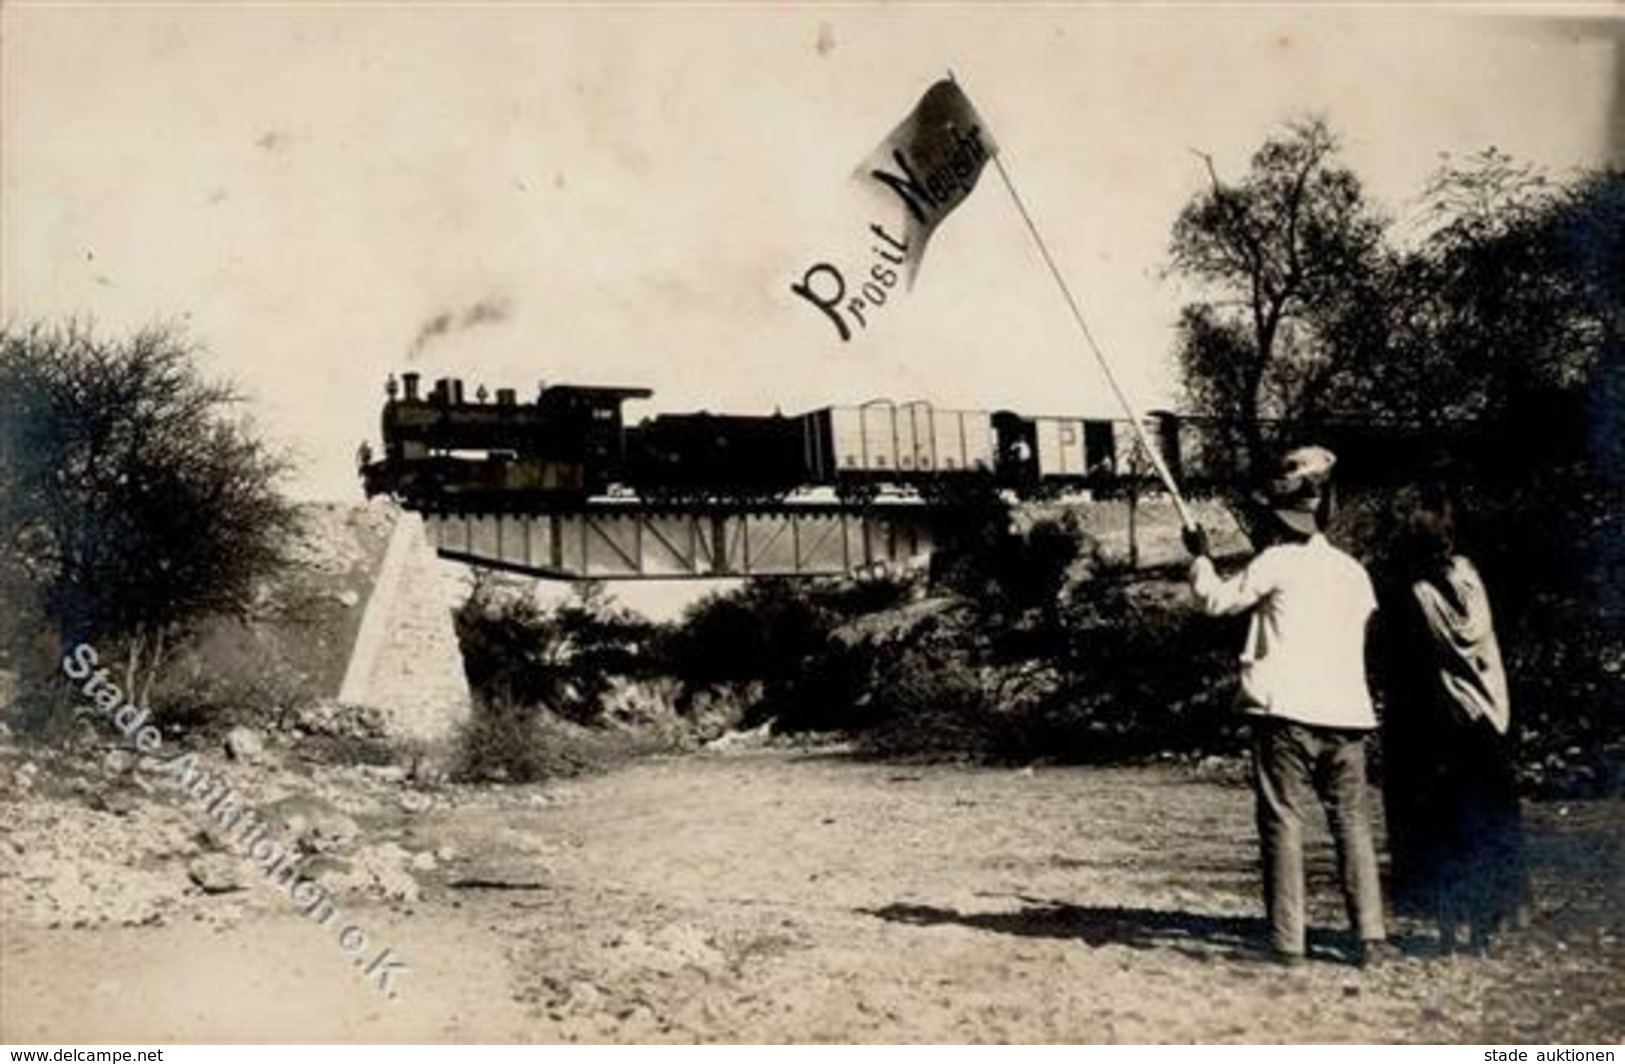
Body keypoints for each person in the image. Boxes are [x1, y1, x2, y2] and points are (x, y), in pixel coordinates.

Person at [1183, 445, 1391, 967]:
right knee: (1352, 823)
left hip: (1286, 713)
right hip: (1347, 714)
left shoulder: (1275, 561)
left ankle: (1289, 944)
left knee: (1283, 822)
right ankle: (1370, 938)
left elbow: (1215, 602)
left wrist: (1200, 557)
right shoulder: (1353, 573)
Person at [1377, 486, 1527, 955]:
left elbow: (1394, 664)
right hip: (1491, 720)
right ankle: (1485, 929)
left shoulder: (1408, 595)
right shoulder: (1476, 581)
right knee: (1486, 824)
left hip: (1435, 727)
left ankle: (1444, 929)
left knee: (1436, 828)